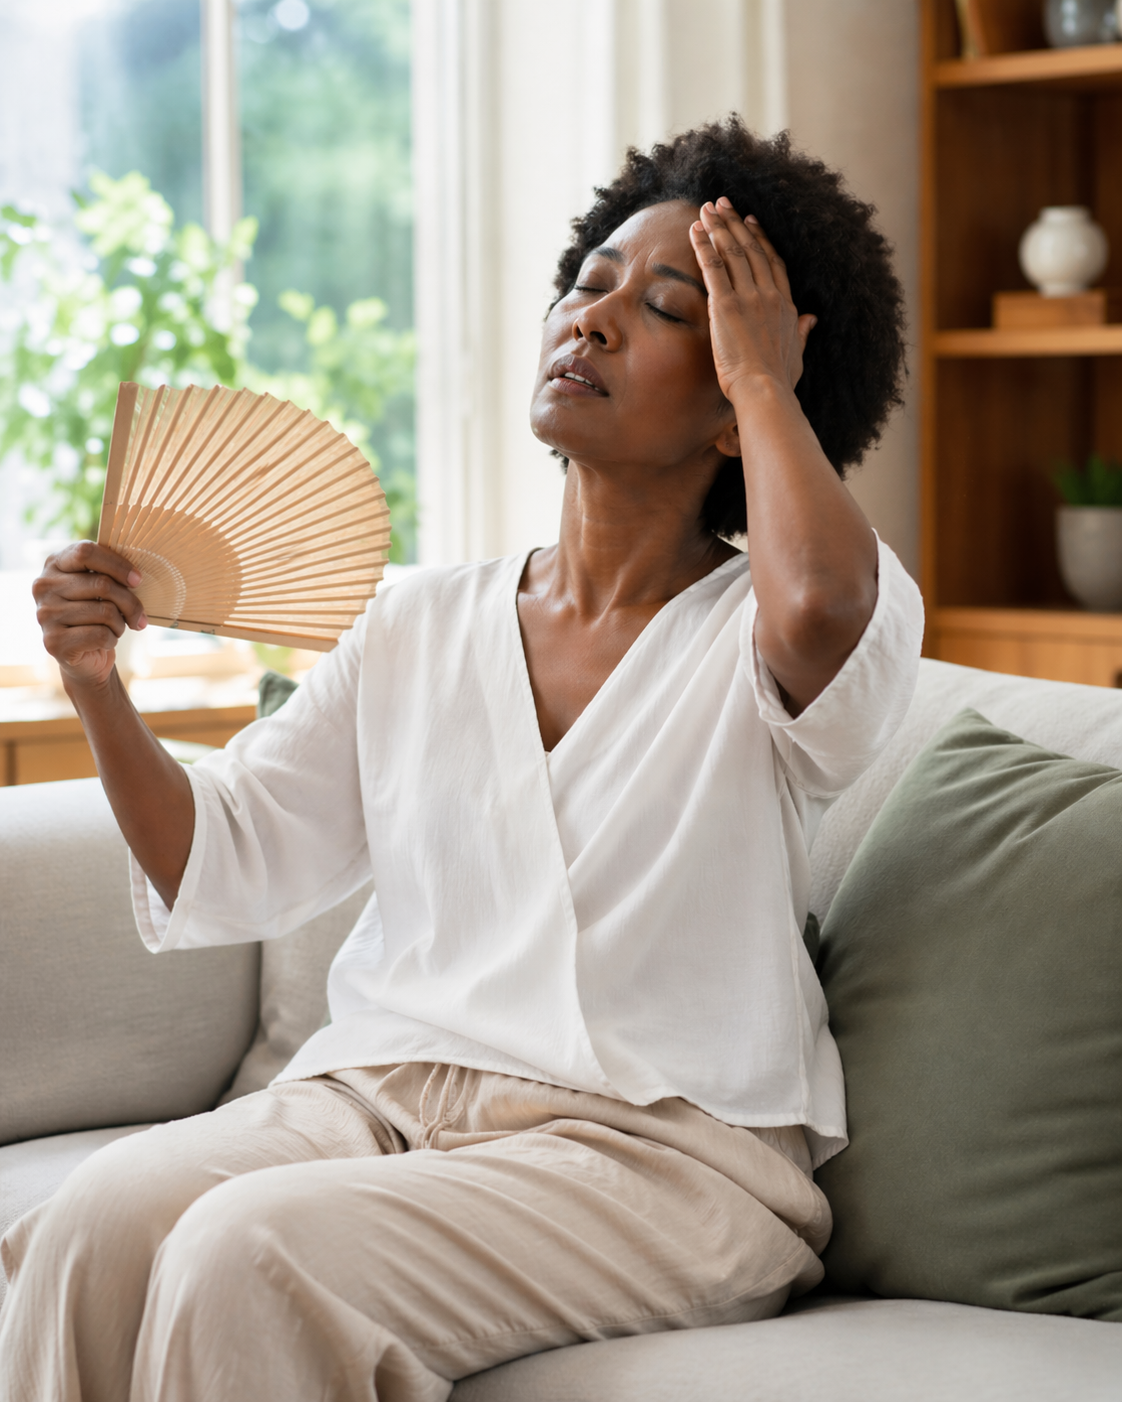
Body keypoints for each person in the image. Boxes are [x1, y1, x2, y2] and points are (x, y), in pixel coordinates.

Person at [0, 118, 923, 1402]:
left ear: (733, 400)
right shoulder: (417, 619)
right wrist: (98, 688)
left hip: (658, 1157)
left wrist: (765, 376)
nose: (591, 320)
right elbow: (219, 856)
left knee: (245, 1251)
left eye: (665, 308)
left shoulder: (774, 627)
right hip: (378, 1100)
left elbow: (827, 604)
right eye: (587, 282)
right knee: (97, 1219)